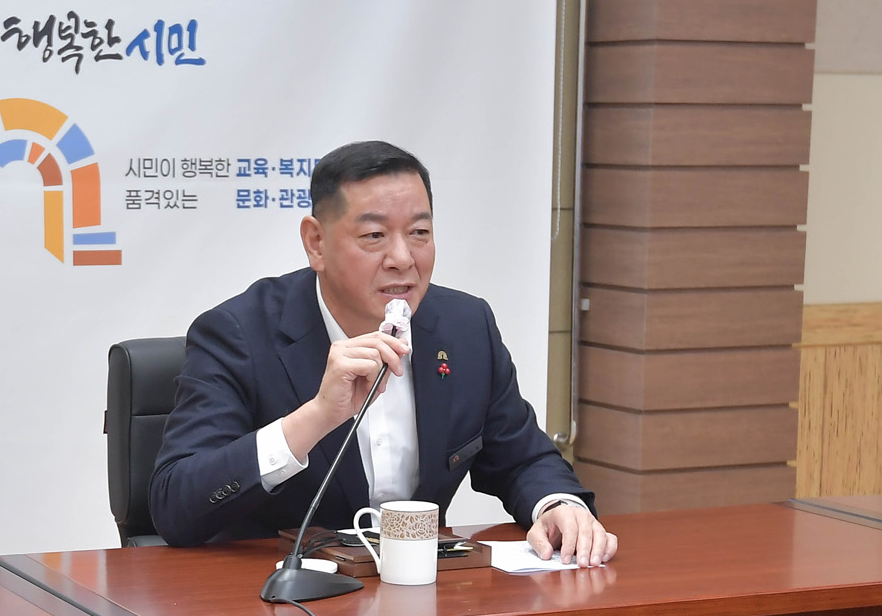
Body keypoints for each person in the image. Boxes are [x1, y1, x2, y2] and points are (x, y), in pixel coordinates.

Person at [149, 140, 617, 566]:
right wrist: (315, 417)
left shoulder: (465, 327)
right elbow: (175, 506)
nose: (403, 259)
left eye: (419, 232)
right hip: (280, 600)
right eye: (374, 236)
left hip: (423, 592)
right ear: (316, 243)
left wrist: (559, 505)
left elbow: (523, 458)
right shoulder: (239, 334)